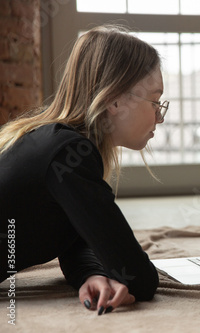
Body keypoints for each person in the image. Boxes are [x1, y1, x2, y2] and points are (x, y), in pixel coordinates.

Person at [0, 25, 167, 314]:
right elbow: (139, 278)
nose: (160, 116)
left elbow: (75, 235)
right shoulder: (69, 154)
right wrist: (121, 271)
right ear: (115, 99)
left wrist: (91, 274)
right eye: (155, 101)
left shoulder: (50, 141)